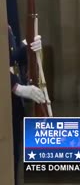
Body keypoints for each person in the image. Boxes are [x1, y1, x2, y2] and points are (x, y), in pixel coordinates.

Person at [9, 26, 44, 185]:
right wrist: (15, 86)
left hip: (12, 104)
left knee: (13, 157)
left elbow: (10, 58)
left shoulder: (6, 25)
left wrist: (27, 48)